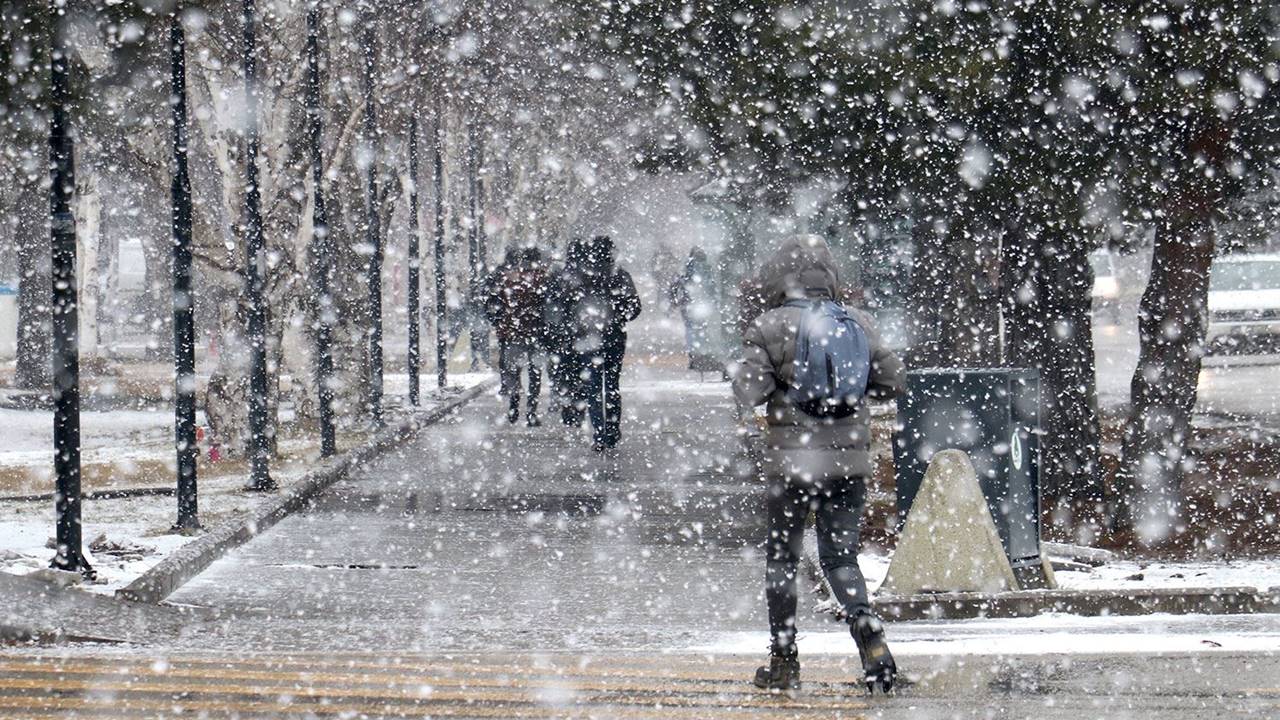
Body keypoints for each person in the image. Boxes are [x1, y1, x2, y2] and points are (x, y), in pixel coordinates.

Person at [731, 234, 905, 694]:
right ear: (829, 279)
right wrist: (848, 397)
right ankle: (869, 634)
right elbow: (892, 381)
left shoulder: (768, 325)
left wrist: (783, 395)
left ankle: (784, 662)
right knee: (840, 556)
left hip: (793, 464)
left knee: (783, 560)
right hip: (849, 462)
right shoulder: (859, 323)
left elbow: (748, 391)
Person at [570, 235, 641, 451]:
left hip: (588, 338)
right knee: (611, 384)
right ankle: (611, 429)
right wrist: (619, 318)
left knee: (592, 386)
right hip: (614, 338)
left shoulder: (581, 277)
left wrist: (579, 325)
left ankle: (599, 433)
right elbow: (635, 307)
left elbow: (568, 307)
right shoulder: (619, 275)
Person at [483, 247, 550, 426]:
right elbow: (549, 307)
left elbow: (492, 302)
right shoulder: (542, 279)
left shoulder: (508, 278)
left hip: (513, 332)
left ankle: (513, 409)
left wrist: (499, 321)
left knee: (514, 372)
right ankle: (531, 412)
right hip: (536, 332)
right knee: (535, 375)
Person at [543, 239, 590, 427]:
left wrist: (551, 329)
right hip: (581, 333)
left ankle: (566, 406)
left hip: (562, 333)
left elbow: (550, 304)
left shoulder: (559, 276)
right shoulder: (588, 276)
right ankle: (578, 408)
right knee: (580, 371)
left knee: (564, 371)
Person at [669, 247, 719, 372]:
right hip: (702, 304)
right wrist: (714, 301)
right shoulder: (707, 269)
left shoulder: (686, 268)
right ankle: (703, 355)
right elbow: (712, 287)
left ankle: (694, 356)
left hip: (689, 304)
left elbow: (677, 284)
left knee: (691, 329)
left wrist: (676, 301)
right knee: (702, 329)